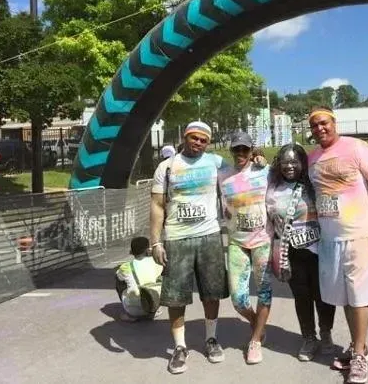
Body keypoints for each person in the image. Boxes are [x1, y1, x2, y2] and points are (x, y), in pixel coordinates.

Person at [307, 106, 368, 384]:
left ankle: (359, 356)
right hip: (330, 240)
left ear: (334, 122)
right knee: (345, 296)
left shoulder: (356, 147)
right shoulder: (312, 158)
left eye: (324, 123)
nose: (320, 128)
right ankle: (359, 346)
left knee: (360, 296)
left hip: (360, 235)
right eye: (315, 125)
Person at [150, 121, 230, 374]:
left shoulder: (216, 163)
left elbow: (242, 172)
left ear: (208, 142)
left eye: (203, 140)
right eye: (194, 138)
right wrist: (155, 242)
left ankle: (211, 338)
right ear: (185, 137)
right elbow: (157, 206)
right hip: (177, 237)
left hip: (209, 235)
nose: (198, 143)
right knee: (176, 296)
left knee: (212, 292)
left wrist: (258, 161)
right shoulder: (167, 166)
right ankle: (180, 346)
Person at [266, 144, 336, 362]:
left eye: (294, 161)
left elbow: (333, 206)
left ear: (303, 163)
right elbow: (269, 221)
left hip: (320, 250)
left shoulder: (313, 184)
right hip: (291, 252)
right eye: (285, 161)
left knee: (324, 296)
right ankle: (308, 337)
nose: (289, 166)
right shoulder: (273, 187)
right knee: (302, 297)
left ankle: (325, 332)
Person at [220, 131, 272, 365]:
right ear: (231, 151)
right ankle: (256, 322)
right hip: (237, 242)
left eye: (245, 149)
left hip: (263, 241)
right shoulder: (223, 176)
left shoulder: (265, 171)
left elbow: (290, 173)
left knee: (263, 292)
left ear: (252, 152)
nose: (240, 153)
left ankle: (255, 341)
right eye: (236, 149)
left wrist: (264, 160)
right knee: (238, 299)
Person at [115, 236, 164, 322]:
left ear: (132, 252)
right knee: (159, 279)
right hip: (153, 305)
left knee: (119, 279)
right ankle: (153, 312)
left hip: (134, 310)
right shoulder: (155, 263)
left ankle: (131, 314)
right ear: (148, 250)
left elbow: (119, 276)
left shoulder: (126, 266)